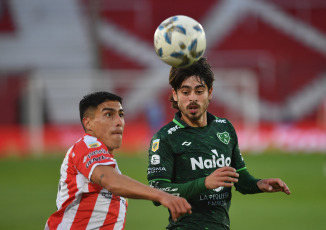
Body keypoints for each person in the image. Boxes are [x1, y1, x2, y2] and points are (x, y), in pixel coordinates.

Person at [147, 58, 291, 230]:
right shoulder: (164, 138)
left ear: (210, 92)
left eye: (199, 91)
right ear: (175, 95)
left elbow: (239, 177)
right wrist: (205, 183)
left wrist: (258, 184)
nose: (193, 98)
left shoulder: (224, 128)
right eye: (186, 92)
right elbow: (157, 192)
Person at [45, 91, 192, 230]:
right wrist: (162, 195)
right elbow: (111, 181)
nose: (118, 122)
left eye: (121, 115)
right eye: (109, 114)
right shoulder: (87, 145)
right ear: (88, 123)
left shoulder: (108, 163)